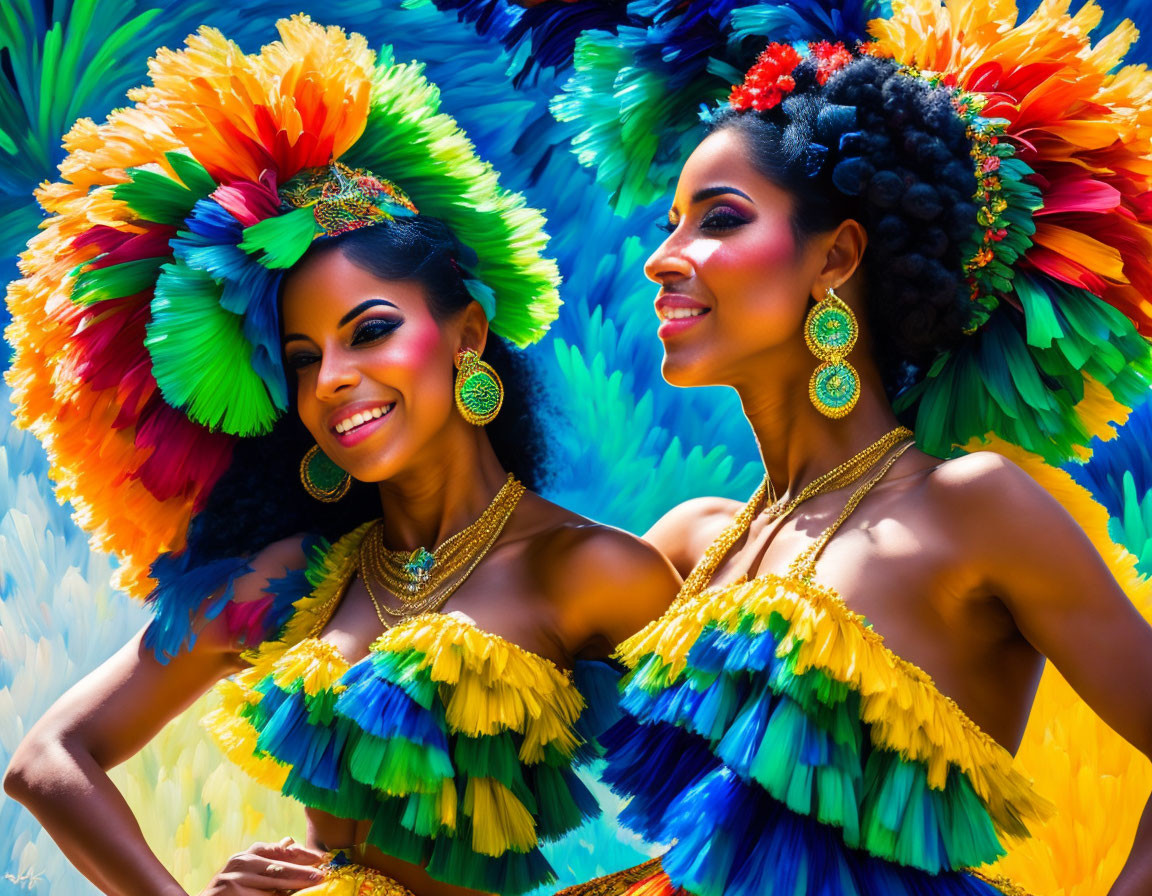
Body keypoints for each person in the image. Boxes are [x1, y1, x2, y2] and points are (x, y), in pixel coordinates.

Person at [2, 17, 678, 896]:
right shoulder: (298, 576)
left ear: (466, 333)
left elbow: (740, 828)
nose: (333, 380)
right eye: (304, 358)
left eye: (371, 332)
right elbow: (47, 760)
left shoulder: (589, 569)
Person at [551, 2, 1152, 894]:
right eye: (672, 222)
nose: (664, 257)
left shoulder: (972, 508)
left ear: (835, 259)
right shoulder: (692, 542)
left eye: (717, 220)